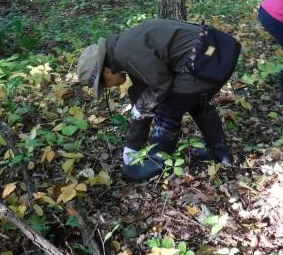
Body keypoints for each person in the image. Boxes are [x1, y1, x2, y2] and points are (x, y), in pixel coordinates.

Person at [77, 19, 240, 181]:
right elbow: (142, 99)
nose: (108, 87)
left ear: (106, 70)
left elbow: (161, 85)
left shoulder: (125, 51)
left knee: (169, 106)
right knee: (193, 100)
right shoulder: (123, 51)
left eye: (103, 83)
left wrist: (142, 107)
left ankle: (157, 163)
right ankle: (220, 154)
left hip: (210, 56)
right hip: (217, 51)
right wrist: (132, 145)